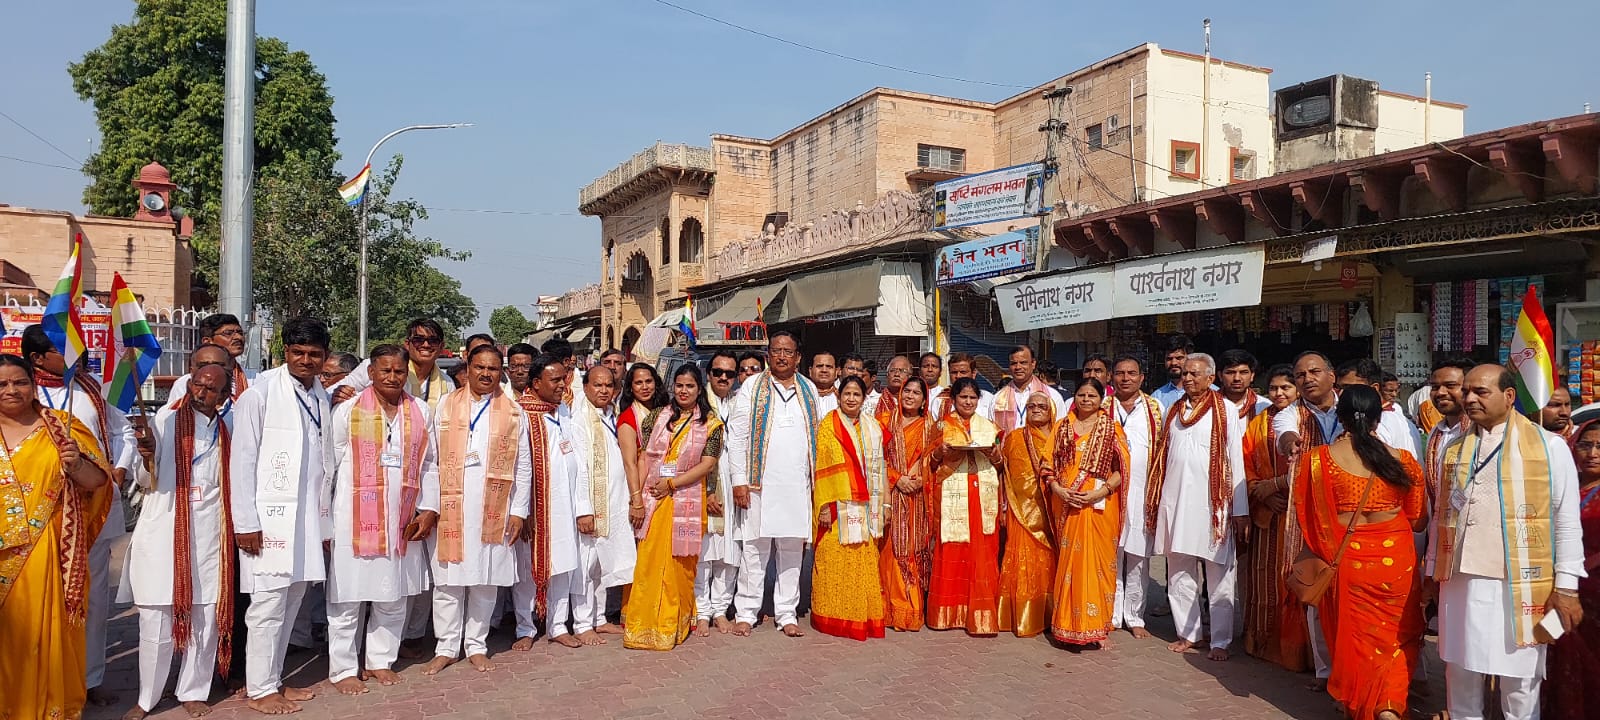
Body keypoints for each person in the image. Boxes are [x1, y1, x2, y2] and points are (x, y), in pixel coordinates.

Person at [1429, 365, 1586, 720]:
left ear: (1509, 396)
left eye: (1480, 392)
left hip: (1519, 587)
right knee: (1460, 677)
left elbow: (1566, 521)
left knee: (1520, 684)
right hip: (1460, 583)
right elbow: (1440, 515)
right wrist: (1431, 574)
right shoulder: (1453, 449)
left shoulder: (1549, 448)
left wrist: (1567, 587)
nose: (1469, 398)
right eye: (1466, 391)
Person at [1296, 385, 1428, 720]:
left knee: (1354, 636)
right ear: (1377, 418)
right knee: (1397, 633)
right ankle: (1388, 704)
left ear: (1339, 417)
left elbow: (1310, 518)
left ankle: (1358, 702)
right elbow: (1417, 519)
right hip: (1395, 559)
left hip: (1347, 559)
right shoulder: (1403, 460)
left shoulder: (1318, 460)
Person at [23, 324, 136, 707]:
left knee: (92, 599)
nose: (77, 353)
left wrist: (118, 469)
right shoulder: (22, 396)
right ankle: (41, 680)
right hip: (37, 517)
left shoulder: (90, 389)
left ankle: (89, 679)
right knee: (38, 602)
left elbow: (122, 432)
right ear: (37, 358)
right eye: (63, 349)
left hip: (93, 511)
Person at [0, 354, 113, 720]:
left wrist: (76, 464)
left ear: (34, 386)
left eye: (20, 382)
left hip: (46, 553)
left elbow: (98, 483)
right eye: (2, 384)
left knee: (41, 636)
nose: (11, 390)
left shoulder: (62, 429)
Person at [321, 346, 438, 695]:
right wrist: (324, 519)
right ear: (370, 373)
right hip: (352, 518)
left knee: (393, 595)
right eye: (385, 370)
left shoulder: (420, 410)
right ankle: (343, 668)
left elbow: (430, 464)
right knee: (347, 597)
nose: (392, 377)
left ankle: (379, 660)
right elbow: (329, 466)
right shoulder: (347, 410)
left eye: (399, 371)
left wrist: (428, 508)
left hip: (401, 517)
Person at [230, 317, 332, 714]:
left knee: (292, 601)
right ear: (284, 352)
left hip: (305, 519)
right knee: (267, 605)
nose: (306, 360)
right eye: (298, 352)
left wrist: (324, 523)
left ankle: (273, 679)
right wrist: (246, 523)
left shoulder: (319, 394)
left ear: (324, 356)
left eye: (314, 354)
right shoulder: (259, 394)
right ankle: (260, 689)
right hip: (267, 521)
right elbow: (242, 461)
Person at [120, 364, 232, 720]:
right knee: (155, 618)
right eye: (197, 384)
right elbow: (145, 479)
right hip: (165, 529)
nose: (200, 392)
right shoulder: (165, 421)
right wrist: (147, 456)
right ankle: (147, 698)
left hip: (210, 534)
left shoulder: (228, 427)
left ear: (223, 396)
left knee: (205, 616)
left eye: (210, 388)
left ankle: (193, 690)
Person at [423, 345, 533, 674]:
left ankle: (476, 644)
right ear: (467, 368)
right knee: (448, 583)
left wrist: (519, 511)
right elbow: (431, 459)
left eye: (493, 369)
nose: (486, 374)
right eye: (480, 367)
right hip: (450, 508)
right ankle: (446, 647)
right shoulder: (446, 405)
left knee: (485, 580)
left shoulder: (513, 411)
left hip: (493, 509)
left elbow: (523, 465)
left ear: (501, 372)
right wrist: (429, 505)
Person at [1148, 352, 1248, 661]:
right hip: (1176, 502)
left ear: (1210, 378)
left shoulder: (1226, 410)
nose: (1188, 378)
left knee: (1219, 574)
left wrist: (1240, 509)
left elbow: (1235, 459)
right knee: (1178, 571)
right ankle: (1189, 635)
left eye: (1194, 373)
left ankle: (1220, 640)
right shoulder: (1174, 410)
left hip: (1212, 506)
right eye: (1185, 374)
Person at [726, 332, 821, 638]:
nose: (781, 356)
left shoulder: (809, 389)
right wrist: (739, 481)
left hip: (797, 486)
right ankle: (746, 612)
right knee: (754, 551)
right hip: (759, 486)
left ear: (798, 357)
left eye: (788, 351)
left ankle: (787, 613)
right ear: (768, 355)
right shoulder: (753, 386)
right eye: (776, 351)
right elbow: (737, 436)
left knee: (792, 552)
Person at [624, 364, 724, 650]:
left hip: (686, 498)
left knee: (678, 565)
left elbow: (707, 465)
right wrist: (637, 497)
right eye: (679, 385)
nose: (683, 391)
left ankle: (671, 626)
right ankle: (643, 626)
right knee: (648, 563)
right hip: (653, 497)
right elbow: (644, 458)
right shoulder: (657, 417)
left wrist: (672, 484)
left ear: (699, 389)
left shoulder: (711, 424)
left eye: (690, 386)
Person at [1049, 378, 1129, 646]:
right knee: (1070, 564)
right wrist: (1058, 490)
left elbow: (1122, 469)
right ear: (1075, 397)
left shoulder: (1111, 429)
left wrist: (1101, 492)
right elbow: (1047, 466)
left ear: (1101, 399)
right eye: (1081, 395)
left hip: (1099, 506)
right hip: (1067, 504)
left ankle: (1096, 628)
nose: (1086, 400)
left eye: (1092, 395)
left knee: (1099, 565)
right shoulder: (1062, 427)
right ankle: (1067, 627)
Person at [508, 356, 579, 651]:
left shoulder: (562, 410)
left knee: (563, 564)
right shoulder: (521, 414)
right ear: (536, 383)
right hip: (534, 507)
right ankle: (525, 627)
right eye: (556, 380)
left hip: (564, 503)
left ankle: (558, 625)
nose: (562, 385)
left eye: (564, 378)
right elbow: (517, 466)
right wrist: (522, 510)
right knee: (528, 570)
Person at [1240, 364, 1309, 671]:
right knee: (1264, 580)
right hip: (1268, 514)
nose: (1279, 394)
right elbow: (1245, 462)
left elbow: (1312, 462)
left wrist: (1279, 485)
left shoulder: (1306, 420)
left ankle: (1300, 652)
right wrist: (1262, 491)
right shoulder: (1257, 423)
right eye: (1273, 388)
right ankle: (1262, 643)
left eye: (1286, 388)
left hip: (1300, 515)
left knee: (1295, 581)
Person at [810, 375, 888, 640]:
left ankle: (860, 616)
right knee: (832, 560)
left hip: (866, 506)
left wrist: (885, 503)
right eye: (847, 394)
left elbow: (881, 467)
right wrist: (823, 506)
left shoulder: (873, 427)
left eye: (856, 394)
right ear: (839, 396)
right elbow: (821, 466)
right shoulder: (828, 426)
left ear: (864, 398)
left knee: (861, 563)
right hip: (836, 507)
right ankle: (830, 616)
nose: (851, 399)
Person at [562, 365, 634, 646]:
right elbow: (579, 466)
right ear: (586, 387)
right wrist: (584, 509)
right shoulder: (579, 417)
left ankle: (599, 618)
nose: (603, 390)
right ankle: (582, 623)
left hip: (614, 501)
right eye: (597, 385)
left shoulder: (611, 414)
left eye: (608, 386)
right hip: (591, 503)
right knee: (586, 566)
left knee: (603, 563)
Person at [928, 378, 1004, 635]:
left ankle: (980, 615)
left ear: (978, 400)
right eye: (963, 397)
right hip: (952, 494)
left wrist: (994, 454)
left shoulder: (989, 427)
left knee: (982, 552)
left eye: (972, 398)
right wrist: (940, 452)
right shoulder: (941, 426)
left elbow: (1000, 464)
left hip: (982, 495)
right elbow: (930, 462)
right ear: (954, 400)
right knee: (953, 549)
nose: (968, 402)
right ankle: (948, 614)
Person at [1543, 419, 1600, 720]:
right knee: (1555, 658)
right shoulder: (1561, 487)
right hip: (1557, 591)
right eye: (1585, 445)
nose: (1592, 453)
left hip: (1593, 599)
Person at [997, 390, 1059, 638]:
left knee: (1049, 562)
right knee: (1021, 560)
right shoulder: (1014, 437)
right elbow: (1003, 474)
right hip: (1019, 509)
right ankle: (1020, 615)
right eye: (1031, 406)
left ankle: (1050, 613)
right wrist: (1003, 506)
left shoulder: (1058, 438)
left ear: (1050, 410)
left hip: (1051, 510)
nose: (1036, 409)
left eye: (1041, 406)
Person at [1109, 356, 1163, 638]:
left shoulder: (1156, 409)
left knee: (1139, 557)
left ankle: (1134, 616)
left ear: (1142, 378)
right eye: (1120, 373)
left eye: (1132, 373)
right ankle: (1111, 613)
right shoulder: (1102, 407)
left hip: (1143, 492)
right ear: (1112, 377)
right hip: (1109, 492)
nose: (1125, 378)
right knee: (1111, 555)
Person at [881, 377, 937, 632]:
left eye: (916, 393)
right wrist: (896, 478)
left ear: (924, 400)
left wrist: (918, 476)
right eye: (907, 391)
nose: (910, 396)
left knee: (911, 550)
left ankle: (909, 609)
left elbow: (933, 460)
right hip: (889, 495)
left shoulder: (930, 427)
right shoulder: (884, 421)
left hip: (916, 499)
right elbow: (875, 457)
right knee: (889, 551)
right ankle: (888, 610)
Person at [698, 351, 741, 634]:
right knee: (703, 553)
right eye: (718, 372)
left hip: (734, 485)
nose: (723, 378)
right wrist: (707, 491)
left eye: (729, 373)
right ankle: (701, 611)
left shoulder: (739, 403)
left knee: (729, 552)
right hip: (704, 484)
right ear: (709, 374)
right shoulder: (699, 405)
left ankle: (720, 609)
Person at [331, 319, 455, 414]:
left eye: (433, 341)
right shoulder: (377, 367)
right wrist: (338, 394)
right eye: (418, 340)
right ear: (407, 344)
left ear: (441, 346)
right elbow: (332, 394)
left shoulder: (447, 384)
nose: (426, 345)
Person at [1335, 358, 1420, 457]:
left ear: (1374, 388)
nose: (1340, 394)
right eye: (1339, 388)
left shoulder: (1374, 424)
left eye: (1348, 388)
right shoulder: (1398, 417)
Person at [169, 314, 254, 404]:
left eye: (240, 333)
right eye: (228, 333)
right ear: (208, 341)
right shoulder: (185, 384)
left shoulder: (254, 380)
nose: (238, 337)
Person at [990, 346, 1067, 433]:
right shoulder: (997, 399)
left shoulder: (1052, 396)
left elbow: (1061, 430)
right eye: (1014, 363)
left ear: (1033, 363)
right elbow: (992, 433)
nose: (1018, 367)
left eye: (1023, 362)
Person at [929, 352, 994, 420]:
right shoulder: (939, 401)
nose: (958, 376)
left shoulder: (988, 399)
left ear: (974, 373)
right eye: (954, 372)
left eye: (963, 372)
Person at [1219, 349, 1270, 420]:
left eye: (1243, 372)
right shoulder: (1209, 404)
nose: (1237, 378)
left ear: (1252, 376)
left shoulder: (1265, 407)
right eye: (1230, 373)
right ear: (1220, 376)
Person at [1150, 335, 1195, 409]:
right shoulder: (1157, 397)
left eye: (1179, 358)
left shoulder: (1209, 392)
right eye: (1169, 359)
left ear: (1190, 359)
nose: (1173, 363)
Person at [808, 351, 840, 417]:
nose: (824, 370)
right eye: (819, 366)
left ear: (836, 372)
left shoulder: (843, 398)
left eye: (829, 367)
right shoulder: (800, 396)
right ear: (810, 371)